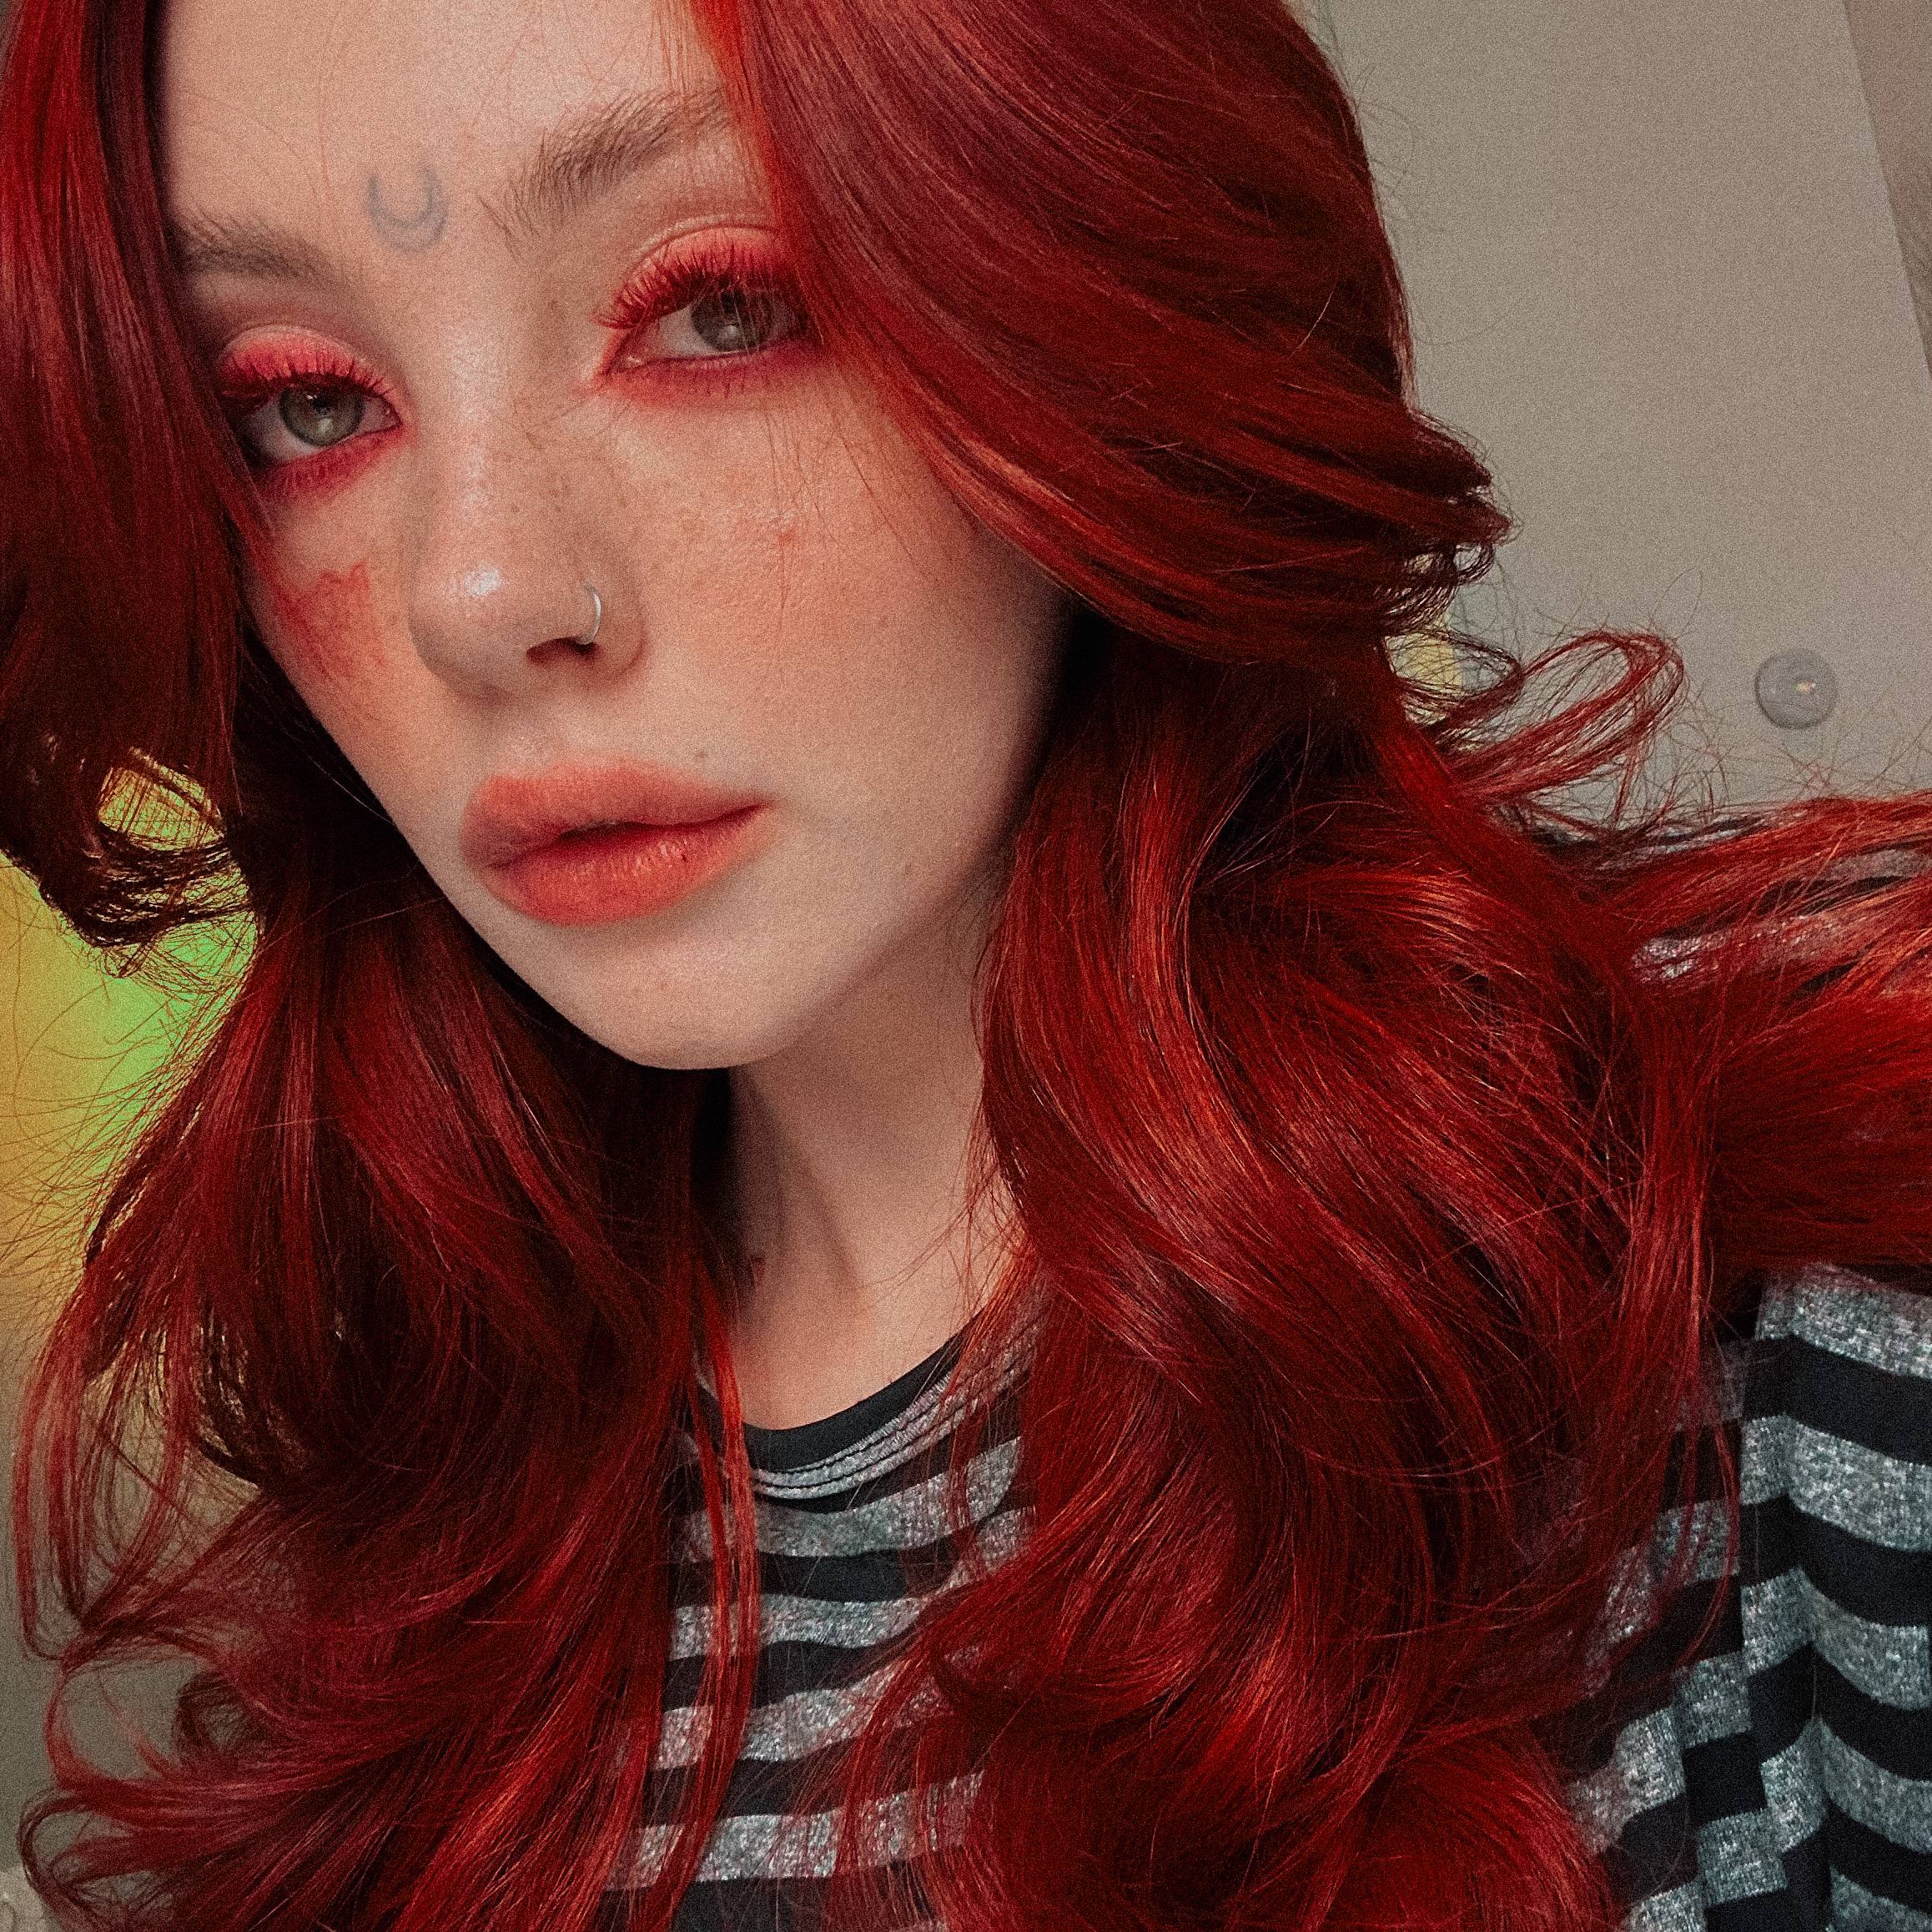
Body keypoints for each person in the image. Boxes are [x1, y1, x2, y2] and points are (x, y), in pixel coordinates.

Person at [0, 0, 1928, 1925]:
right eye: (307, 406)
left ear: (1090, 301)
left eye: (720, 308)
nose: (480, 595)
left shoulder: (1793, 1315)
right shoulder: (408, 1518)